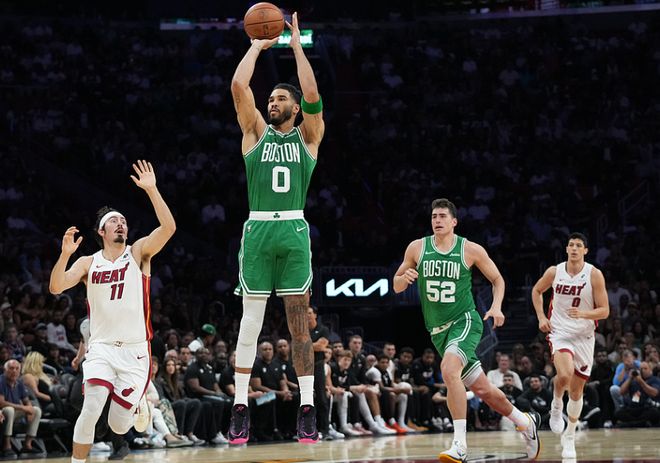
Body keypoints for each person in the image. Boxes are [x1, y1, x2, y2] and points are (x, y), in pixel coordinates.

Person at [229, 11, 325, 445]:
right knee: (250, 322)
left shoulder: (308, 137)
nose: (272, 102)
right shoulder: (254, 133)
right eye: (269, 98)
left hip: (293, 230)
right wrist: (256, 46)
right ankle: (239, 407)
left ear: (294, 108)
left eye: (280, 98)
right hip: (258, 230)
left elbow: (312, 93)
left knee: (298, 324)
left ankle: (307, 407)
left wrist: (297, 48)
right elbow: (238, 86)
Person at [393, 198, 540, 463]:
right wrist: (403, 278)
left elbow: (497, 279)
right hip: (438, 332)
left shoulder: (470, 249)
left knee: (449, 369)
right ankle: (525, 422)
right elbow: (396, 286)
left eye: (442, 216)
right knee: (484, 390)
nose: (437, 220)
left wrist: (496, 306)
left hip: (465, 321)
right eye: (434, 216)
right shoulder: (417, 247)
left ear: (454, 222)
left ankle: (459, 444)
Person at [48, 160, 176, 463]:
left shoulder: (138, 252)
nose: (121, 224)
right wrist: (65, 255)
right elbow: (55, 287)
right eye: (114, 221)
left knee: (119, 425)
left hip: (135, 352)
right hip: (102, 348)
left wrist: (152, 190)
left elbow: (168, 228)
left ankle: (137, 404)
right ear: (101, 231)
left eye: (124, 221)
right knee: (91, 407)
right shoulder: (88, 263)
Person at [532, 232, 609, 458]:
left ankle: (570, 435)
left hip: (584, 335)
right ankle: (556, 405)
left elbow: (604, 310)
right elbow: (537, 290)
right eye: (571, 245)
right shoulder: (554, 271)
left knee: (576, 392)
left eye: (578, 245)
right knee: (564, 375)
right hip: (560, 332)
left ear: (585, 250)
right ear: (566, 249)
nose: (574, 248)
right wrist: (541, 317)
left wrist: (584, 314)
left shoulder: (594, 274)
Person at [0, 359, 42, 458]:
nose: (14, 371)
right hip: (3, 412)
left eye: (17, 368)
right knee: (9, 410)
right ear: (5, 370)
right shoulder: (1, 381)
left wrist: (30, 409)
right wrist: (24, 408)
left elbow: (26, 400)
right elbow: (1, 403)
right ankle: (7, 446)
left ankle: (27, 445)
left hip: (16, 411)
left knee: (36, 410)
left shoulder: (19, 382)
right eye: (11, 368)